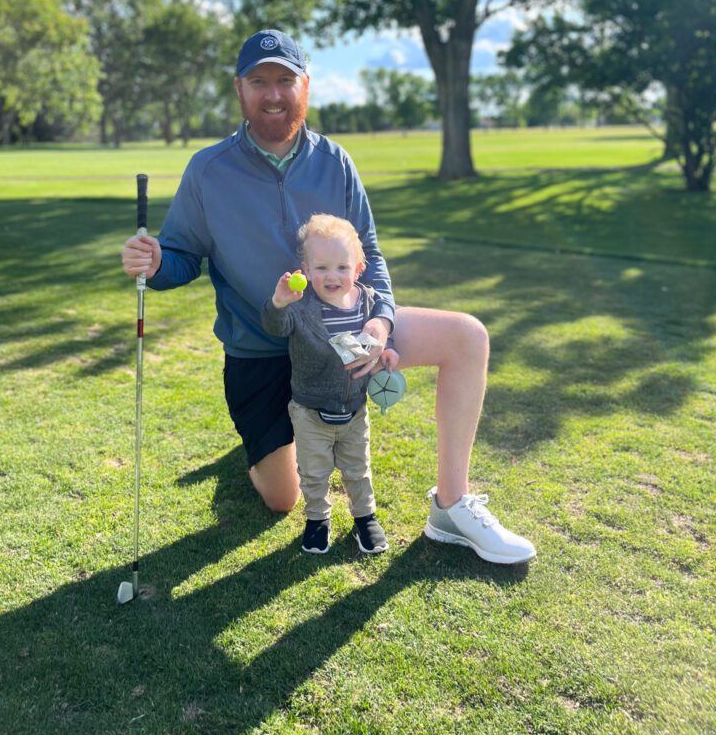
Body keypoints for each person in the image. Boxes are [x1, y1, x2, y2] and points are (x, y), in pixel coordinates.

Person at [121, 28, 536, 565]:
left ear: (306, 86)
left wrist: (381, 322)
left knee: (467, 336)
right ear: (240, 90)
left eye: (285, 81)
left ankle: (451, 506)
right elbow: (181, 257)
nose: (274, 94)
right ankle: (261, 448)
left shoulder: (335, 161)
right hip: (263, 349)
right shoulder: (208, 169)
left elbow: (373, 258)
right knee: (281, 499)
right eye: (259, 81)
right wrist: (154, 264)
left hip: (346, 332)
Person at [262, 213, 398, 555]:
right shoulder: (300, 306)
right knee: (314, 471)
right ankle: (317, 519)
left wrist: (387, 353)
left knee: (358, 469)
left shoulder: (367, 302)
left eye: (341, 267)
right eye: (321, 268)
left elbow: (375, 339)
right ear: (305, 271)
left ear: (357, 268)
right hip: (310, 410)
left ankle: (365, 518)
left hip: (354, 408)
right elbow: (275, 326)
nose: (332, 276)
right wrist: (279, 302)